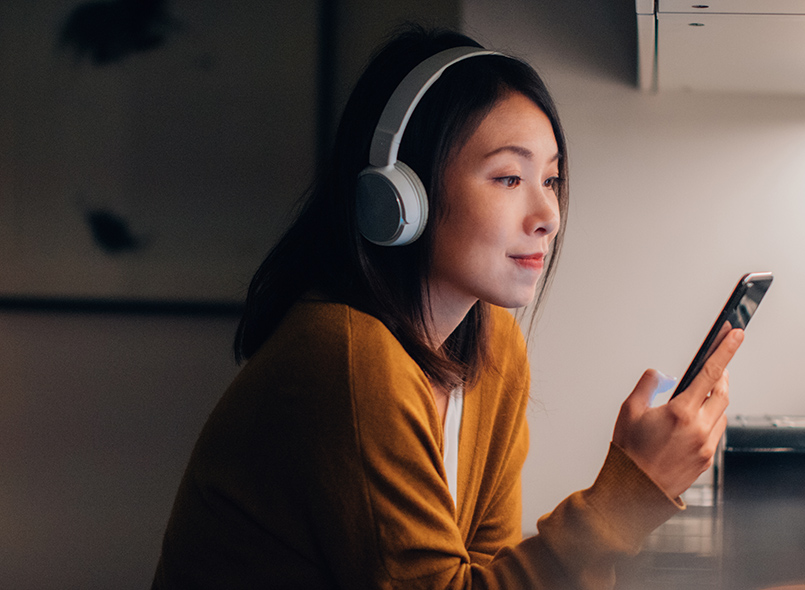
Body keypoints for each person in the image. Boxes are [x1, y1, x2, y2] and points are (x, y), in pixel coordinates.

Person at [151, 25, 743, 590]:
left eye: (553, 179)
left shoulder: (494, 348)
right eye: (509, 178)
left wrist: (635, 495)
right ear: (399, 196)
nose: (549, 216)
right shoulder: (346, 357)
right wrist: (633, 492)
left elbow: (486, 573)